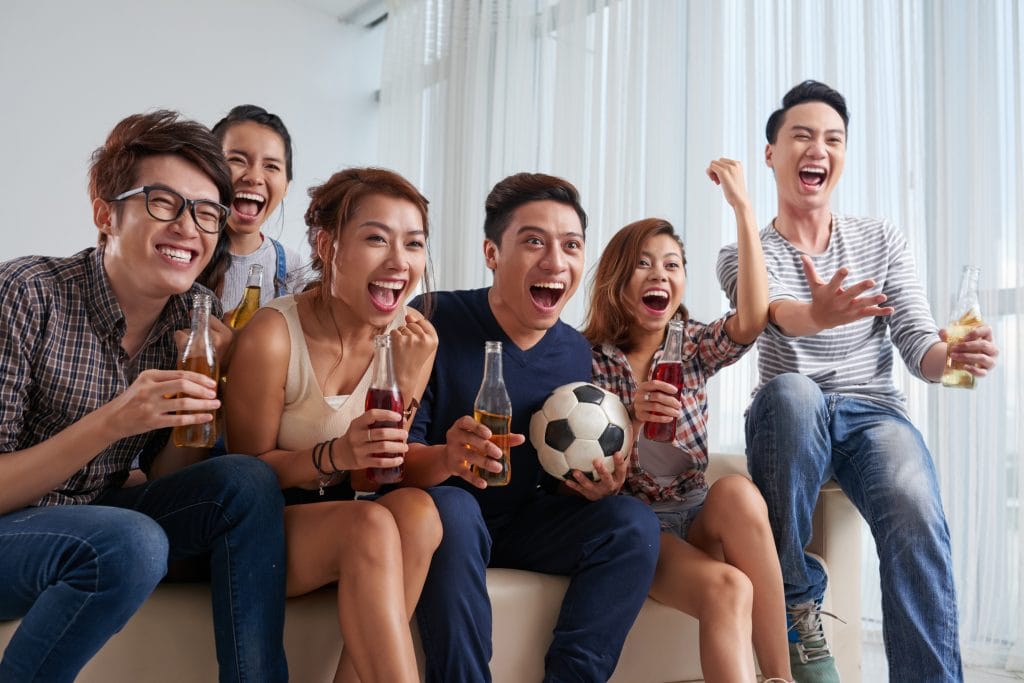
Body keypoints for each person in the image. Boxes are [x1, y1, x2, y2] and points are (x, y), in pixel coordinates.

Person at [717, 80, 1000, 683]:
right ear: (772, 154)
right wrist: (818, 314)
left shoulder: (881, 239)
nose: (818, 148)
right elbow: (774, 315)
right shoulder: (745, 250)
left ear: (842, 157)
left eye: (833, 139)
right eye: (802, 135)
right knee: (794, 391)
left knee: (916, 512)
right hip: (790, 417)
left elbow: (919, 347)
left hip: (873, 413)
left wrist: (954, 358)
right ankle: (797, 602)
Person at [0, 111, 288, 682]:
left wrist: (205, 402)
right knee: (131, 541)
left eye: (208, 213)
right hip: (16, 530)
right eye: (164, 202)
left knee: (246, 481)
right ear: (106, 213)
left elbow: (162, 475)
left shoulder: (188, 323)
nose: (190, 227)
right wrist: (113, 422)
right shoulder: (27, 294)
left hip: (102, 518)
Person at [400, 172, 661, 683]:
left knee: (631, 523)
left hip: (523, 523)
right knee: (454, 506)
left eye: (571, 245)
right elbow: (392, 465)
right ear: (492, 253)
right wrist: (447, 457)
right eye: (534, 241)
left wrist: (588, 487)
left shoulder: (574, 351)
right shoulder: (431, 318)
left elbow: (552, 473)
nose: (555, 261)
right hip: (443, 517)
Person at [224, 167, 447, 683]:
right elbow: (244, 478)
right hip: (262, 526)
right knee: (368, 524)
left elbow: (376, 477)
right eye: (376, 239)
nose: (399, 262)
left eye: (414, 244)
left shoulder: (412, 342)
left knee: (418, 511)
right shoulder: (273, 336)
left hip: (347, 520)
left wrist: (416, 394)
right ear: (327, 245)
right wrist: (336, 456)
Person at [584, 159, 793, 683]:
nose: (660, 275)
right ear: (616, 278)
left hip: (697, 513)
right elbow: (580, 468)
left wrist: (744, 209)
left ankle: (782, 678)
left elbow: (751, 319)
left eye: (673, 265)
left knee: (740, 494)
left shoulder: (693, 345)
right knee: (729, 588)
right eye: (644, 265)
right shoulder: (586, 359)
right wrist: (630, 418)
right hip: (639, 526)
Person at [200, 104, 306, 311]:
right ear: (208, 171)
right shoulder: (188, 251)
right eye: (237, 160)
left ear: (287, 186)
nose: (254, 178)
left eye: (271, 166)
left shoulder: (291, 266)